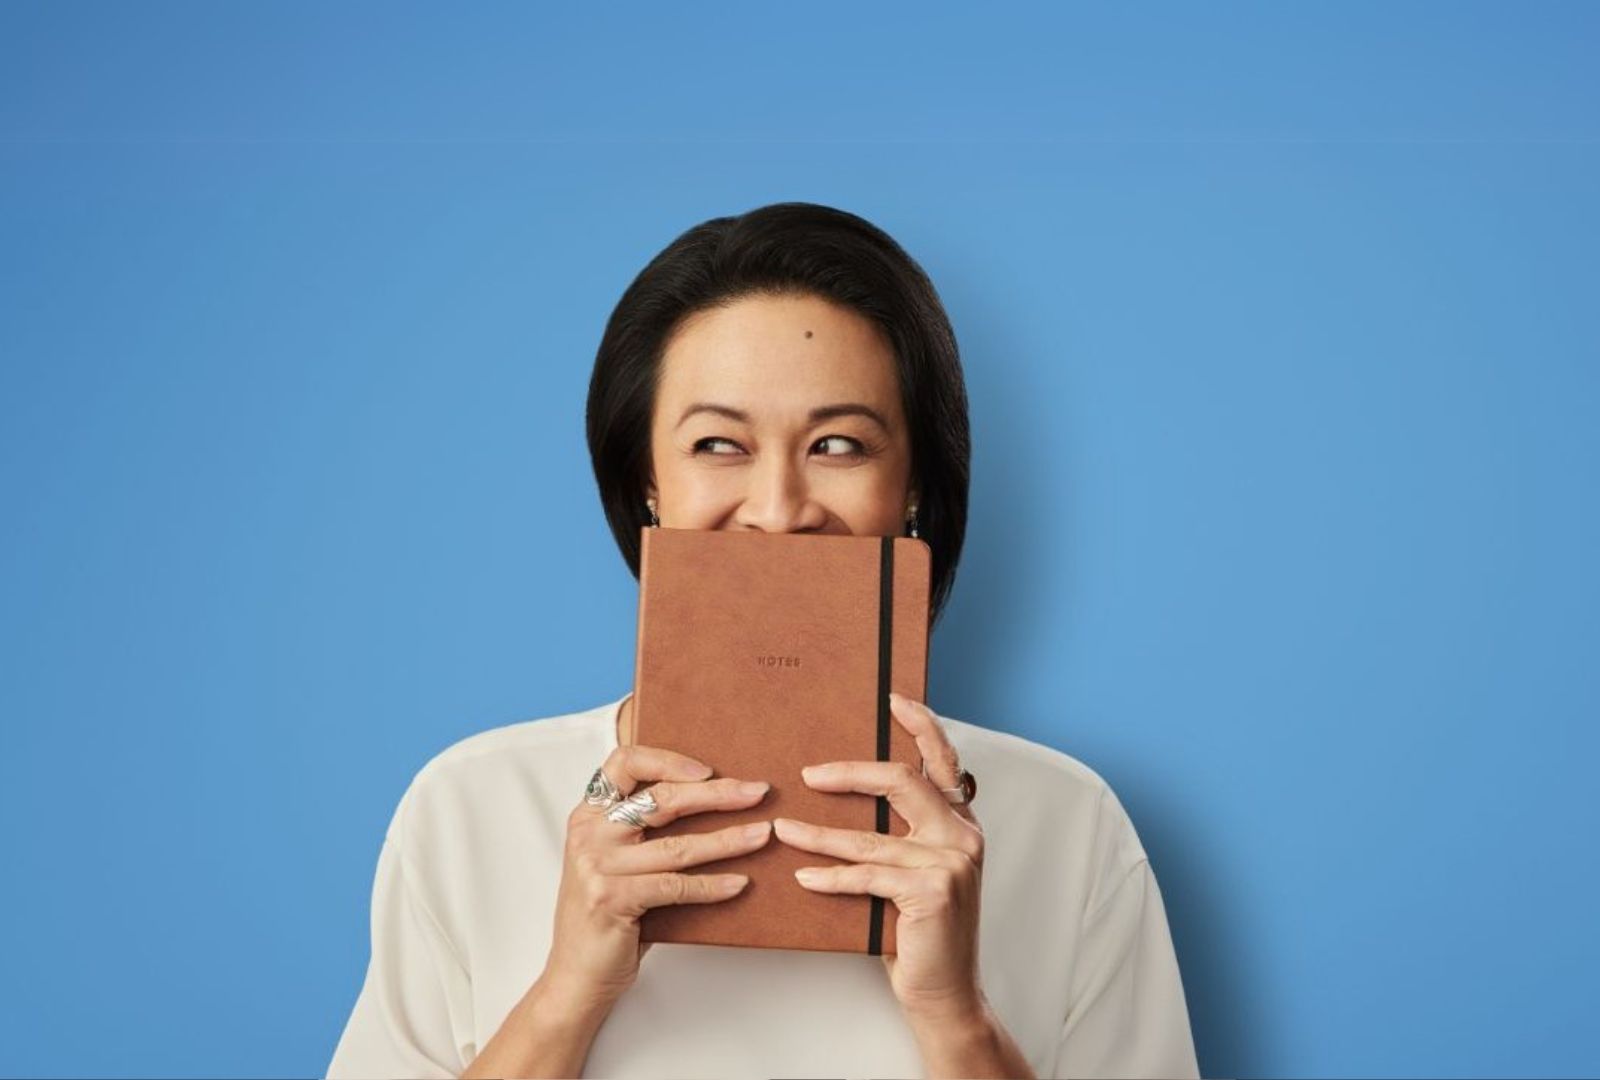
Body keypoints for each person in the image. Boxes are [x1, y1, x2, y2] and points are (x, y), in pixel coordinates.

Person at [325, 202, 1200, 1078]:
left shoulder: (1068, 821)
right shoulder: (472, 804)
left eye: (839, 445)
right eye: (717, 443)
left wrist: (953, 1016)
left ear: (914, 489)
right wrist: (566, 992)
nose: (780, 513)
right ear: (648, 484)